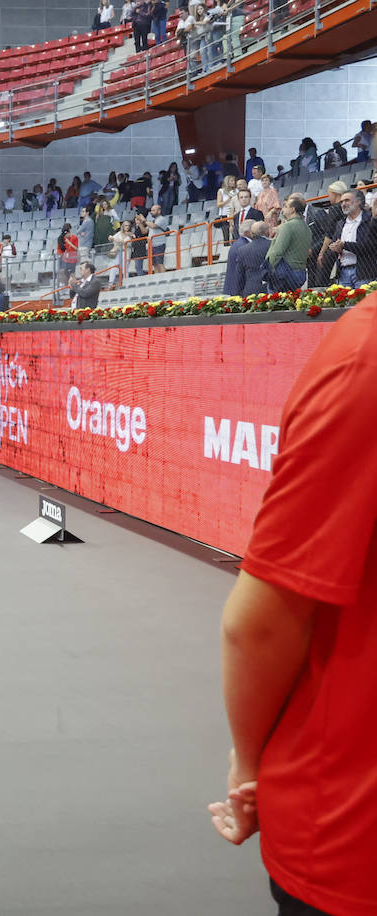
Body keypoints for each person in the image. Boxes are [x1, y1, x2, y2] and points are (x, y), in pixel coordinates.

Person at [206, 287, 377, 916]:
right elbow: (263, 622)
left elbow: (259, 625)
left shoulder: (365, 354)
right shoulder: (365, 356)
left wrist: (248, 765)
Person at [265, 194, 309, 291]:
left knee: (277, 303)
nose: (282, 209)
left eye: (285, 206)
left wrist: (269, 267)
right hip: (300, 271)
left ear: (293, 209)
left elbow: (278, 251)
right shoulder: (306, 227)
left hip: (285, 274)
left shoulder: (288, 226)